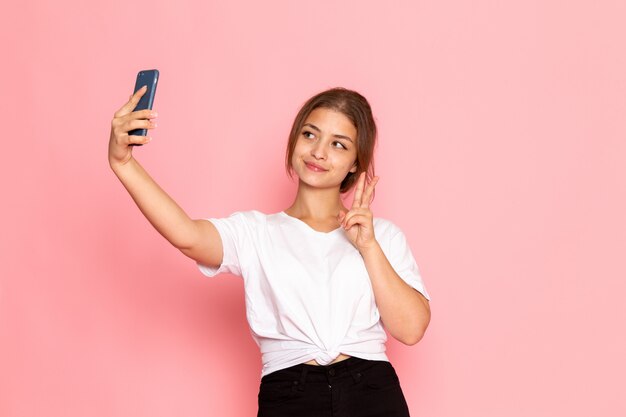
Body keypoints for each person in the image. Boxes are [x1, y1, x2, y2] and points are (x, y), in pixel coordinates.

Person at [108, 85, 431, 417]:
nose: (319, 151)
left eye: (338, 144)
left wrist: (368, 247)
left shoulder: (383, 237)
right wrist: (123, 163)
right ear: (294, 141)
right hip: (291, 394)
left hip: (372, 392)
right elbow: (187, 235)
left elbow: (411, 329)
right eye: (310, 134)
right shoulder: (256, 232)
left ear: (354, 163)